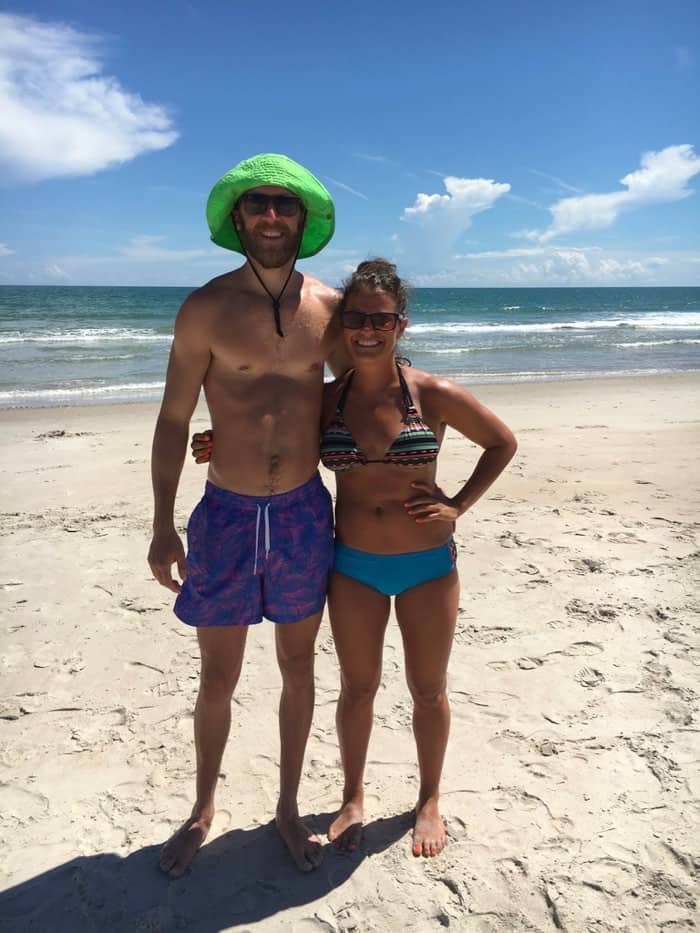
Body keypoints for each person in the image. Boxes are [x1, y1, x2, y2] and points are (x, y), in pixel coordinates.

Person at [193, 259, 517, 858]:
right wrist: (218, 441)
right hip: (352, 568)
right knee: (358, 690)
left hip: (427, 567)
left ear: (401, 323)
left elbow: (502, 442)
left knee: (428, 690)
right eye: (356, 317)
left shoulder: (432, 394)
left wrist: (458, 505)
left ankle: (428, 800)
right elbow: (273, 433)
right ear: (342, 324)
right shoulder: (326, 399)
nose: (367, 328)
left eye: (381, 318)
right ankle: (352, 796)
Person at [147, 153, 343, 877]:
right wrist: (163, 521)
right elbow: (173, 419)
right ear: (237, 218)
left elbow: (367, 397)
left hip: (300, 512)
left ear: (304, 219)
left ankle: (288, 808)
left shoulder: (329, 309)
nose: (269, 216)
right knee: (217, 676)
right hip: (226, 513)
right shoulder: (205, 307)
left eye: (283, 205)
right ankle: (202, 808)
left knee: (298, 665)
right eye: (256, 204)